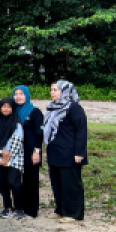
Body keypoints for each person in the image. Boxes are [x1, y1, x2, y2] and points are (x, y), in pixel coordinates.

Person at [44, 80, 87, 223]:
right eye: (51, 90)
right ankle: (60, 209)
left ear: (65, 91)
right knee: (57, 183)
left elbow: (81, 130)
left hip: (70, 153)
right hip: (55, 152)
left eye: (55, 90)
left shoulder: (73, 107)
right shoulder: (52, 107)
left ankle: (73, 213)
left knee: (70, 184)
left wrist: (79, 153)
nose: (52, 93)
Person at [0, 98, 26, 219]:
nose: (6, 109)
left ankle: (19, 208)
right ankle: (7, 208)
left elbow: (17, 141)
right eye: (3, 106)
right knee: (2, 184)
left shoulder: (17, 124)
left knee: (14, 183)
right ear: (0, 108)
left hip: (14, 158)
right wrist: (1, 153)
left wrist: (8, 155)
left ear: (13, 109)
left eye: (9, 106)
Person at [14, 85, 44, 219]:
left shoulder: (35, 112)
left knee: (30, 181)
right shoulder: (12, 111)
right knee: (16, 181)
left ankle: (31, 211)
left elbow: (39, 133)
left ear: (27, 95)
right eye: (16, 94)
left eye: (21, 94)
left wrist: (36, 151)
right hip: (16, 152)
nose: (18, 96)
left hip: (31, 152)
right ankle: (19, 207)